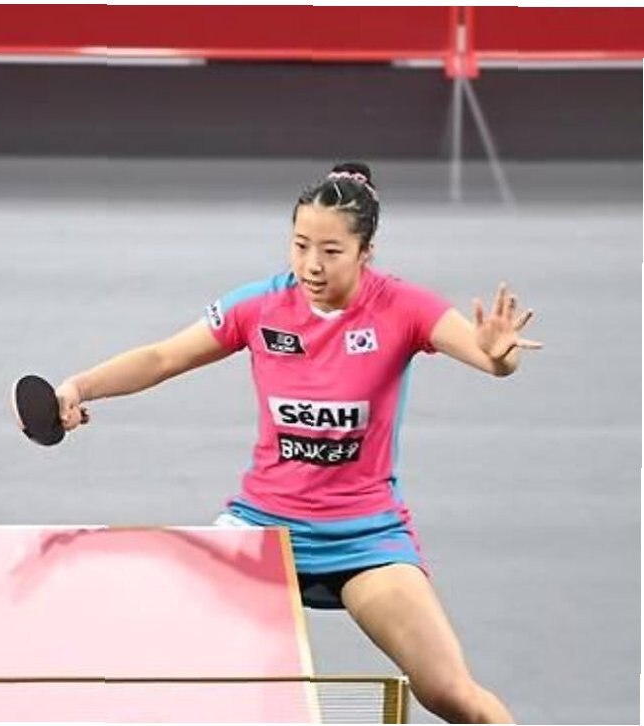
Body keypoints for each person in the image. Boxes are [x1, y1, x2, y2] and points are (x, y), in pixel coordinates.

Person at [46, 163, 539, 723]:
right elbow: (163, 356)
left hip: (365, 537)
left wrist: (500, 355)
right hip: (262, 528)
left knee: (450, 692)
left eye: (331, 251)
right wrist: (79, 386)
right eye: (301, 245)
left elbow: (489, 357)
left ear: (366, 252)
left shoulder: (403, 307)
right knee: (185, 669)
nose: (311, 264)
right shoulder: (260, 306)